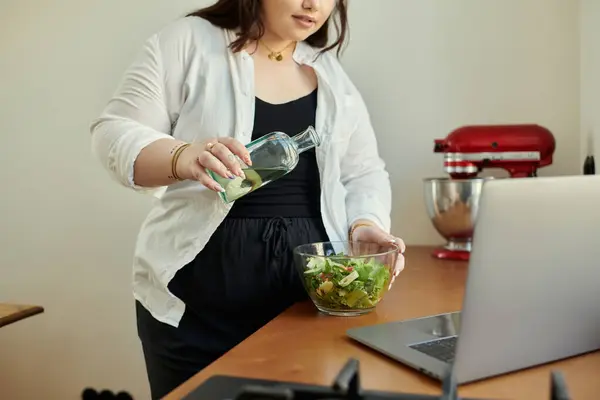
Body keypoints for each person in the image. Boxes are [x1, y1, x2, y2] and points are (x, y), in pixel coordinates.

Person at [90, 0, 406, 398]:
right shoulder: (188, 43)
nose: (314, 5)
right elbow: (113, 133)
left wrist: (365, 225)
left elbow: (363, 172)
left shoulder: (330, 74)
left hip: (305, 305)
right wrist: (182, 156)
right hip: (196, 310)